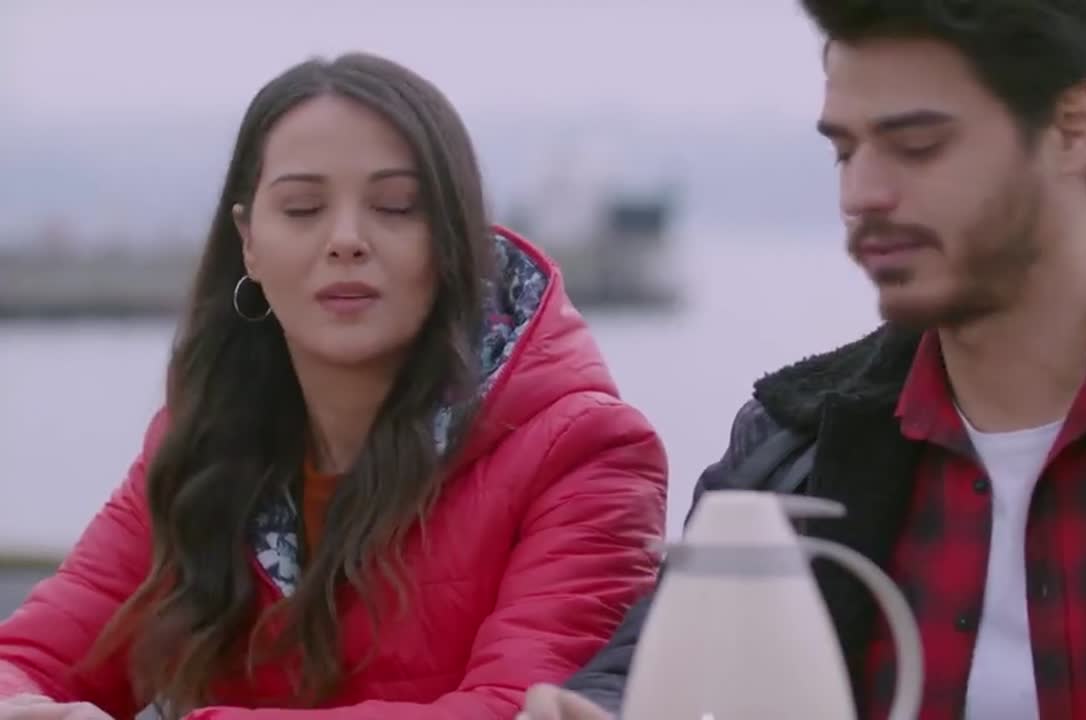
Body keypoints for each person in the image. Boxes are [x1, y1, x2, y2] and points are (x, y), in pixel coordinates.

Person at [521, 0, 1086, 718]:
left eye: (917, 146)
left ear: (1072, 128)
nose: (862, 193)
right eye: (845, 151)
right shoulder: (788, 447)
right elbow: (651, 668)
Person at [0, 52, 668, 720]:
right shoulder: (203, 444)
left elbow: (516, 710)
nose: (346, 240)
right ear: (248, 243)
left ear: (455, 240)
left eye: (395, 207)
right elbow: (28, 659)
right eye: (302, 209)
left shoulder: (586, 453)